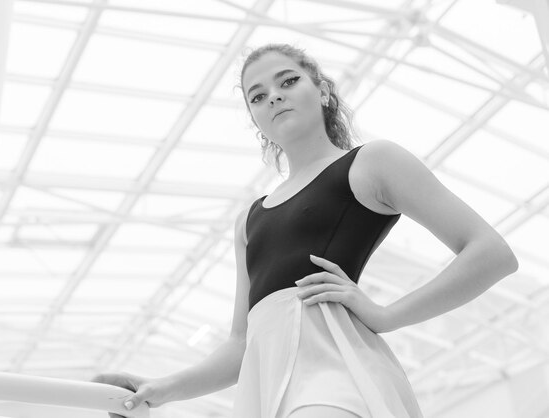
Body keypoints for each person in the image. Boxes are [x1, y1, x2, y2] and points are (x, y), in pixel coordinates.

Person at [91, 43, 519, 418]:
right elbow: (241, 344)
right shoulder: (249, 219)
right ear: (255, 119)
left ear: (324, 90)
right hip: (271, 387)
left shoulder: (372, 163)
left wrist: (386, 316)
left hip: (338, 371)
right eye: (257, 96)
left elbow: (491, 253)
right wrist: (159, 389)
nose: (273, 96)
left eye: (288, 81)